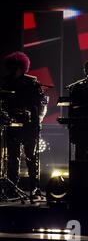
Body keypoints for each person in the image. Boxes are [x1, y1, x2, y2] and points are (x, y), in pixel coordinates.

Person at [0, 51, 47, 198]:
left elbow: (42, 104)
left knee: (31, 157)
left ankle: (34, 187)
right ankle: (12, 187)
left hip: (29, 126)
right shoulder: (5, 82)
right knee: (12, 158)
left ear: (22, 67)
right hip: (12, 125)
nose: (14, 70)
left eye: (16, 67)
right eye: (12, 67)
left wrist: (38, 119)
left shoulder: (32, 82)